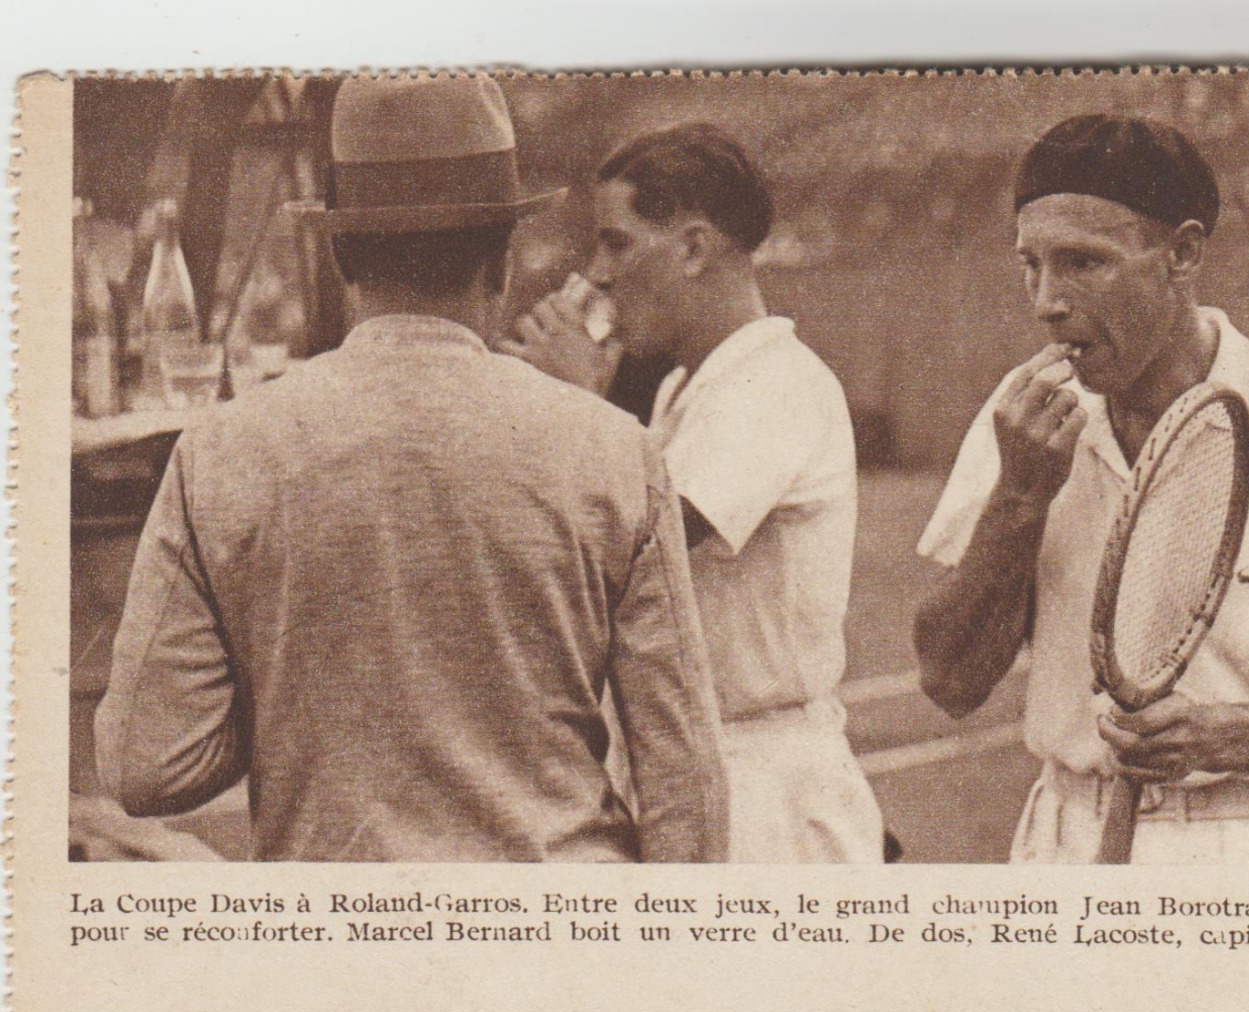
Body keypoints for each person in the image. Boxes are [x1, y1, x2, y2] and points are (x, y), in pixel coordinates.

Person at [95, 76, 729, 863]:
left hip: (344, 946)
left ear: (338, 253)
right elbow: (685, 786)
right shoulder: (614, 449)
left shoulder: (223, 451)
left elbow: (147, 764)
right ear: (502, 257)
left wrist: (303, 682)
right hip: (562, 939)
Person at [913, 114, 1249, 865]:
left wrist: (1230, 735)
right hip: (1064, 836)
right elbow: (949, 681)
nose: (1047, 299)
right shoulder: (1022, 422)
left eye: (1082, 262)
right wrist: (1018, 496)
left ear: (1181, 253)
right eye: (1031, 264)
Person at [503, 124, 885, 863]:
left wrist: (578, 403)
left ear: (691, 248)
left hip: (762, 790)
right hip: (692, 767)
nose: (598, 273)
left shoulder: (778, 380)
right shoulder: (686, 387)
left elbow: (646, 549)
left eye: (616, 243)